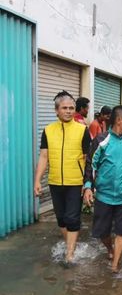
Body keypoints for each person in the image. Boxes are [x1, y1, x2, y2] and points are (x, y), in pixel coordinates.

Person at [83, 105, 122, 273]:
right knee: (102, 233)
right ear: (119, 120)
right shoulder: (101, 141)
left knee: (121, 232)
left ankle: (115, 265)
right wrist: (88, 186)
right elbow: (91, 165)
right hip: (104, 196)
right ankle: (109, 249)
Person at [34, 91, 91, 262]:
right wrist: (37, 180)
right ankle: (71, 245)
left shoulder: (82, 130)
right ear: (56, 110)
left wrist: (88, 183)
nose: (68, 111)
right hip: (55, 181)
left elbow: (89, 159)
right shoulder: (48, 131)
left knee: (72, 217)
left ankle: (70, 254)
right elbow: (44, 156)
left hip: (76, 182)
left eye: (71, 108)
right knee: (61, 219)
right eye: (64, 108)